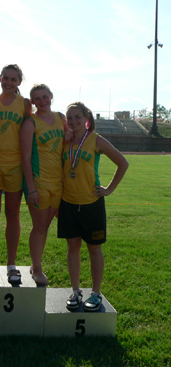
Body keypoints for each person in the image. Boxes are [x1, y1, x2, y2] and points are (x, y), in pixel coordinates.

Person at [59, 102, 128, 311]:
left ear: (86, 118)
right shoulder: (65, 141)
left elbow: (122, 163)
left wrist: (108, 189)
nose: (73, 121)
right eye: (70, 118)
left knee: (94, 249)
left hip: (92, 204)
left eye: (77, 117)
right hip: (68, 203)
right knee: (73, 248)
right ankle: (76, 291)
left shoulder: (96, 140)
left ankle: (96, 293)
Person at [0, 64, 31, 284]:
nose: (9, 83)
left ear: (20, 82)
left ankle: (11, 264)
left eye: (14, 79)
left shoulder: (25, 104)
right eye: (6, 78)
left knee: (13, 216)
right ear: (0, 79)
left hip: (15, 166)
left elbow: (33, 128)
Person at [21, 83, 71, 285]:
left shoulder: (60, 118)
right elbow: (25, 157)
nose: (42, 101)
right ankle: (37, 267)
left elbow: (69, 137)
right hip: (39, 182)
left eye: (45, 97)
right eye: (37, 98)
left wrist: (68, 135)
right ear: (32, 101)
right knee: (39, 227)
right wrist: (31, 187)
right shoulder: (30, 123)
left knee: (46, 226)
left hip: (57, 182)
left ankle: (36, 264)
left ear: (51, 96)